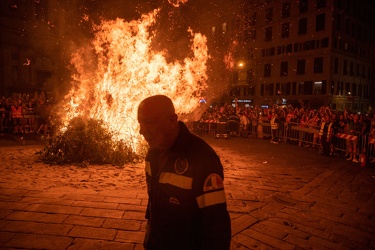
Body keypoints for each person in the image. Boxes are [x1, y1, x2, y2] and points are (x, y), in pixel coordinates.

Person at [137, 95, 231, 250]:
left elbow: (216, 224)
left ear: (172, 121)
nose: (141, 131)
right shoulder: (152, 155)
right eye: (140, 123)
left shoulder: (202, 158)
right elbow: (153, 202)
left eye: (149, 123)